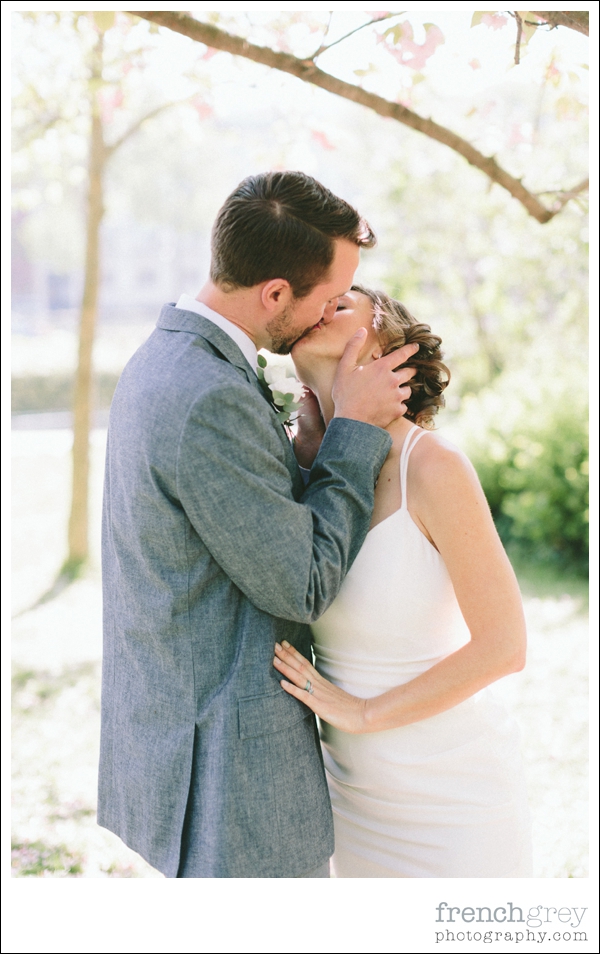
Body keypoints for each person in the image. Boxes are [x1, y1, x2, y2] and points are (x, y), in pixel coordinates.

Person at [97, 173, 418, 878]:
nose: (335, 311)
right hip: (229, 772)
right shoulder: (209, 394)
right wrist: (355, 431)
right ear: (275, 294)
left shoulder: (164, 360)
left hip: (184, 740)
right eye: (329, 299)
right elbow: (301, 584)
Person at [274, 285, 533, 878]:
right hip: (353, 807)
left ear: (390, 351)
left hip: (454, 804)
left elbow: (505, 646)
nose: (317, 309)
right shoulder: (303, 471)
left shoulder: (434, 467)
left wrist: (362, 713)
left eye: (338, 306)